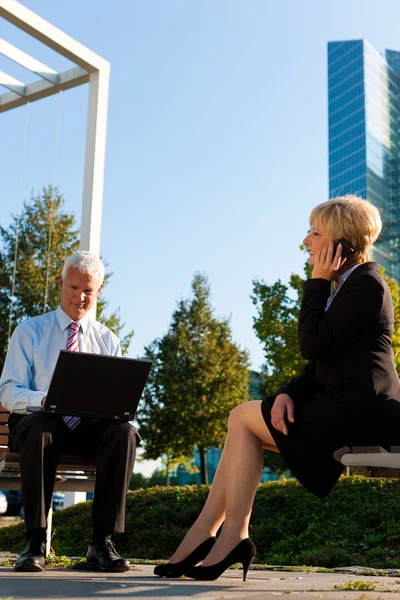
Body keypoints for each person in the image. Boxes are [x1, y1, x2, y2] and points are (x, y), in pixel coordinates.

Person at [154, 195, 400, 582]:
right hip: (344, 406)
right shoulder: (349, 285)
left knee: (241, 417)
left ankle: (222, 535)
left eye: (315, 233)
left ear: (340, 245)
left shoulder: (365, 284)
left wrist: (316, 284)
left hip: (363, 415)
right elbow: (319, 363)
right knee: (244, 427)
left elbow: (312, 345)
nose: (306, 240)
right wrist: (286, 393)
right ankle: (212, 535)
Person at [0, 251, 139, 573]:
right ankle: (35, 540)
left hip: (87, 429)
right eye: (74, 288)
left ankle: (101, 542)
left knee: (125, 432)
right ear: (61, 283)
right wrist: (44, 400)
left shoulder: (108, 340)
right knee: (41, 427)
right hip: (38, 424)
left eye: (88, 290)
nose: (80, 297)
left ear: (99, 291)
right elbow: (8, 390)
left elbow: (117, 399)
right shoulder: (30, 331)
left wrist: (120, 411)